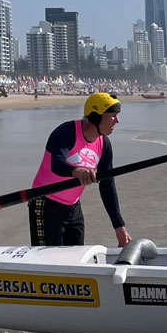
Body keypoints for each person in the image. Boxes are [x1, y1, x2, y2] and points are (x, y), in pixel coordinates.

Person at [28, 92, 131, 248]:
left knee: (76, 257)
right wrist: (76, 171)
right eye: (112, 116)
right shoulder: (66, 132)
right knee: (48, 260)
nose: (117, 121)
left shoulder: (104, 145)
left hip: (74, 208)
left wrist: (119, 226)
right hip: (46, 203)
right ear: (96, 117)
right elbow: (56, 164)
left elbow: (107, 185)